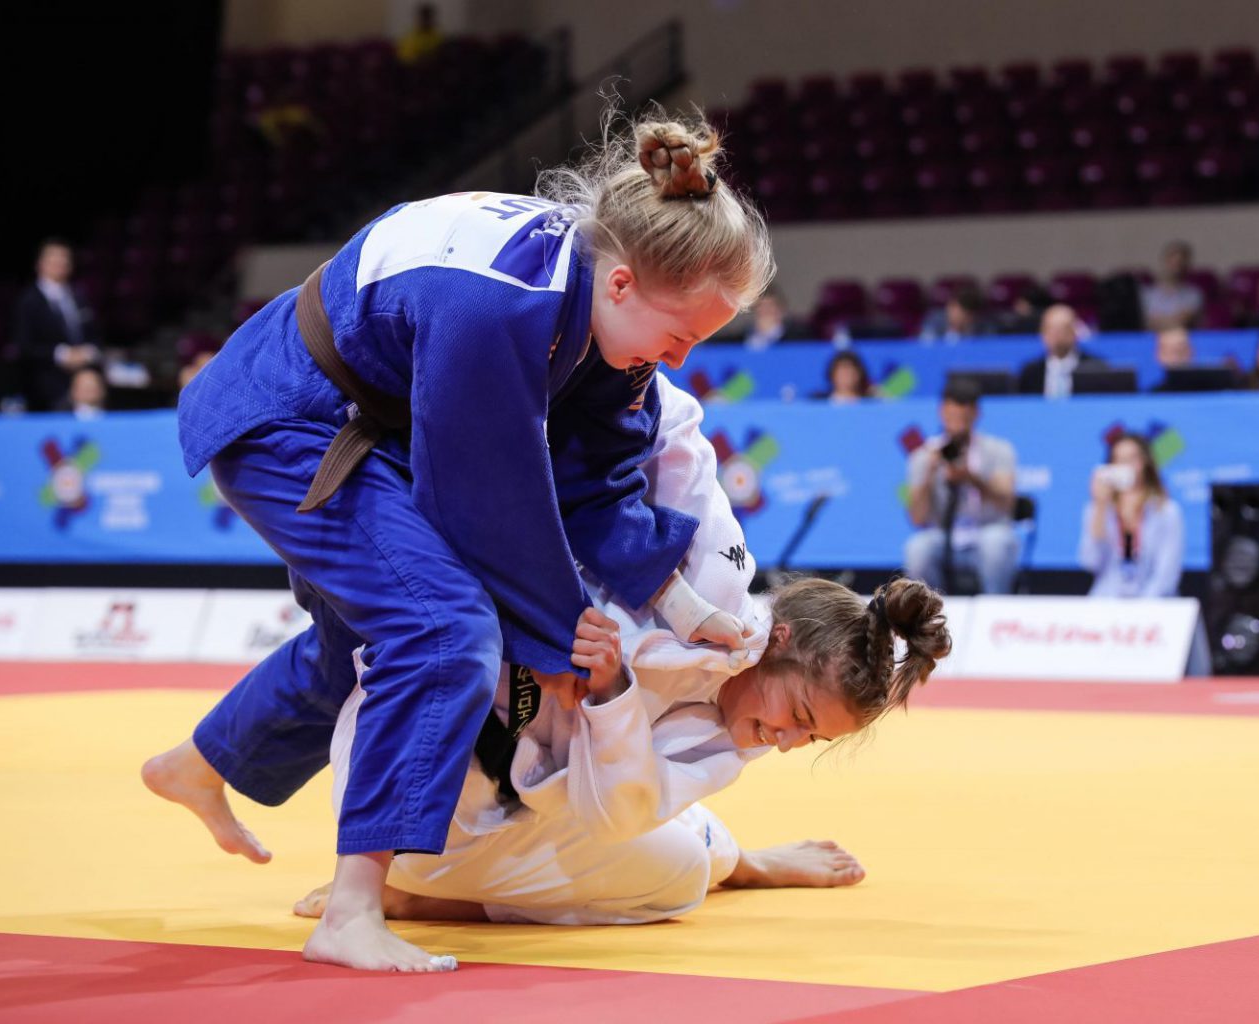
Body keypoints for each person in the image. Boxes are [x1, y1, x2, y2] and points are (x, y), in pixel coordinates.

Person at [141, 111, 775, 973]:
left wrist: (682, 602)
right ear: (622, 284)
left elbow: (598, 483)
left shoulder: (599, 319)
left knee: (372, 637)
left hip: (376, 423)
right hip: (290, 418)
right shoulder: (499, 307)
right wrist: (555, 643)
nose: (676, 360)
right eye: (683, 335)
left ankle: (199, 763)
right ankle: (355, 908)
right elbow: (486, 497)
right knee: (441, 631)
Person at [291, 574, 948, 928]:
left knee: (674, 839)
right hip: (427, 800)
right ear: (773, 639)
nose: (786, 742)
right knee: (681, 875)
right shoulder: (680, 608)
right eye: (798, 716)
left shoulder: (742, 723)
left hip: (517, 809)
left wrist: (610, 695)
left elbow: (621, 810)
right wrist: (603, 678)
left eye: (811, 739)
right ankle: (412, 899)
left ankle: (740, 859)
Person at [903, 380, 1020, 594]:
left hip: (985, 529)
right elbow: (917, 519)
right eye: (952, 417)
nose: (957, 424)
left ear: (976, 414)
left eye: (963, 418)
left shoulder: (998, 450)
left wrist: (971, 478)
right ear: (942, 413)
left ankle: (994, 609)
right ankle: (930, 614)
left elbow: (1007, 503)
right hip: (942, 534)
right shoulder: (923, 456)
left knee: (996, 543)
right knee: (917, 548)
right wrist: (929, 473)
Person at [1079, 433, 1184, 598]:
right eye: (1118, 460)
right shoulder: (1097, 509)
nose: (1125, 466)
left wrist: (1141, 611)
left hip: (1154, 606)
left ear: (1145, 463)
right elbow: (1090, 561)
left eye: (1131, 459)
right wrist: (1099, 507)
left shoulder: (1166, 511)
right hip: (1107, 602)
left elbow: (1166, 574)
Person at [10, 239, 101, 410]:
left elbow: (94, 335)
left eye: (65, 258)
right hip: (43, 385)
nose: (61, 263)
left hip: (80, 381)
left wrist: (88, 352)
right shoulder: (28, 301)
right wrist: (62, 354)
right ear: (40, 264)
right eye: (54, 258)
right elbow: (24, 346)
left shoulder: (79, 297)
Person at [1017, 304, 1103, 398]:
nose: (1056, 335)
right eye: (1050, 329)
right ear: (1042, 333)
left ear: (1074, 332)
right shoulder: (1030, 372)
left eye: (1063, 329)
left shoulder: (1096, 369)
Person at [1140, 240, 1203, 331]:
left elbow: (1182, 322)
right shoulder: (1147, 295)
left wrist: (1160, 321)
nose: (1176, 267)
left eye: (1179, 263)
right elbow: (1148, 322)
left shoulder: (1193, 295)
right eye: (1172, 261)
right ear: (1164, 261)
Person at [920, 287, 987, 342]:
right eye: (954, 308)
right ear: (950, 305)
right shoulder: (935, 319)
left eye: (968, 315)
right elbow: (925, 342)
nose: (964, 318)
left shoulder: (982, 325)